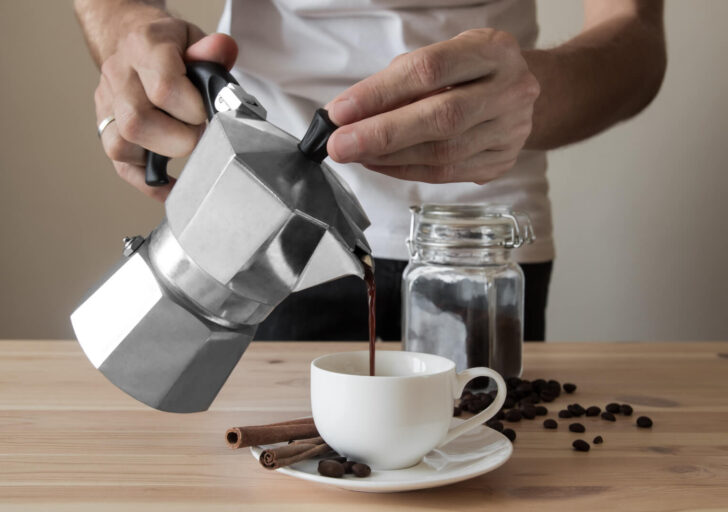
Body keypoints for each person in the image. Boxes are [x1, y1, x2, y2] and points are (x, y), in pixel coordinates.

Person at [76, 0, 666, 342]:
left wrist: (531, 97)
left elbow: (636, 40)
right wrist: (128, 32)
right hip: (259, 230)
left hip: (472, 243)